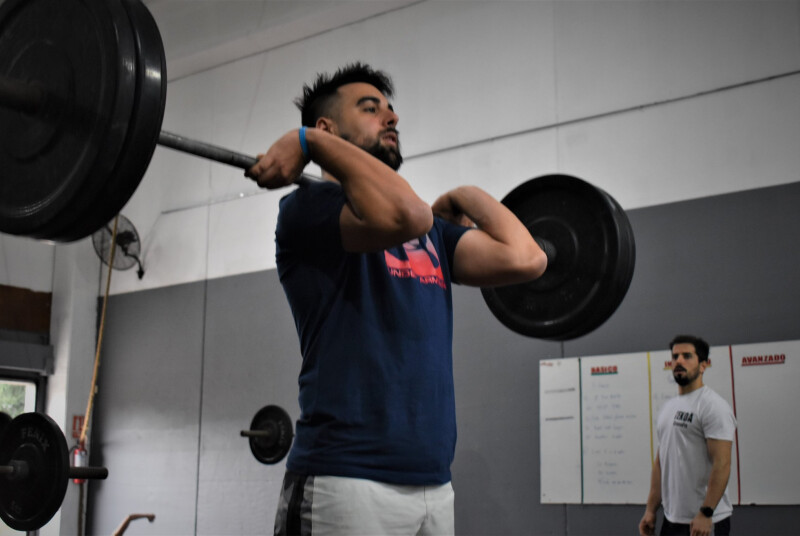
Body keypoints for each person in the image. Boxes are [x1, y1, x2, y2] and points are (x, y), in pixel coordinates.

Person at [245, 62, 547, 535]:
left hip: (433, 483)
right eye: (370, 109)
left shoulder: (432, 232)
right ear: (327, 128)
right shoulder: (307, 210)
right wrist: (307, 142)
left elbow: (527, 259)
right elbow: (407, 215)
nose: (392, 118)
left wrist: (466, 194)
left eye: (390, 109)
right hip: (345, 480)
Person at [639, 335, 737, 536]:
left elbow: (722, 463)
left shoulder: (713, 406)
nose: (679, 361)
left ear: (703, 365)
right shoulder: (668, 407)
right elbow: (660, 463)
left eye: (687, 356)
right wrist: (650, 510)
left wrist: (706, 512)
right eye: (675, 357)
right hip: (672, 519)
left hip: (704, 521)